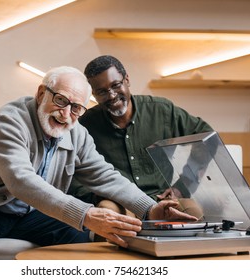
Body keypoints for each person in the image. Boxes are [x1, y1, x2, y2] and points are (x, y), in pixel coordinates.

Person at [0, 66, 197, 260]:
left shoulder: (77, 132)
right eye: (61, 100)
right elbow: (21, 181)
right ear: (41, 94)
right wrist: (85, 213)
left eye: (76, 108)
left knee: (82, 237)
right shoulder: (9, 121)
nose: (65, 114)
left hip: (25, 213)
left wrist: (151, 209)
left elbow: (105, 176)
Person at [68, 55, 213, 216]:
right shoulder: (85, 124)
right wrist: (94, 195)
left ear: (127, 80)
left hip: (162, 199)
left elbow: (207, 138)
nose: (111, 95)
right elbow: (70, 169)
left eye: (116, 85)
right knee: (107, 213)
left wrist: (183, 186)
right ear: (93, 94)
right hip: (118, 202)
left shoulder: (162, 110)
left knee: (193, 213)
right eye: (102, 91)